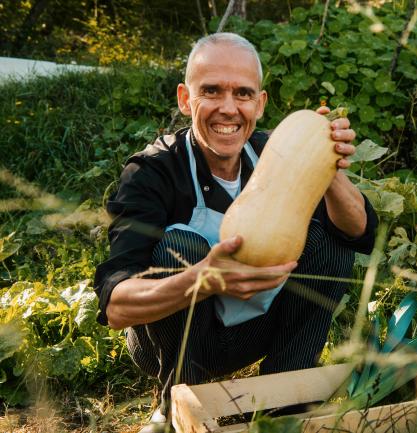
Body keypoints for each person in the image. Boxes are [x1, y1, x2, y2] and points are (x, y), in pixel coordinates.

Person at [93, 32, 378, 431]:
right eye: (211, 91)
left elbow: (360, 233)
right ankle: (175, 404)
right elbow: (115, 304)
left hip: (253, 329)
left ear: (259, 104)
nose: (228, 109)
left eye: (242, 94)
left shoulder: (276, 151)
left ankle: (285, 402)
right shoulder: (150, 172)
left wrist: (325, 163)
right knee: (181, 246)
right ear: (185, 98)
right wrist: (203, 280)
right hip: (171, 341)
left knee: (331, 245)